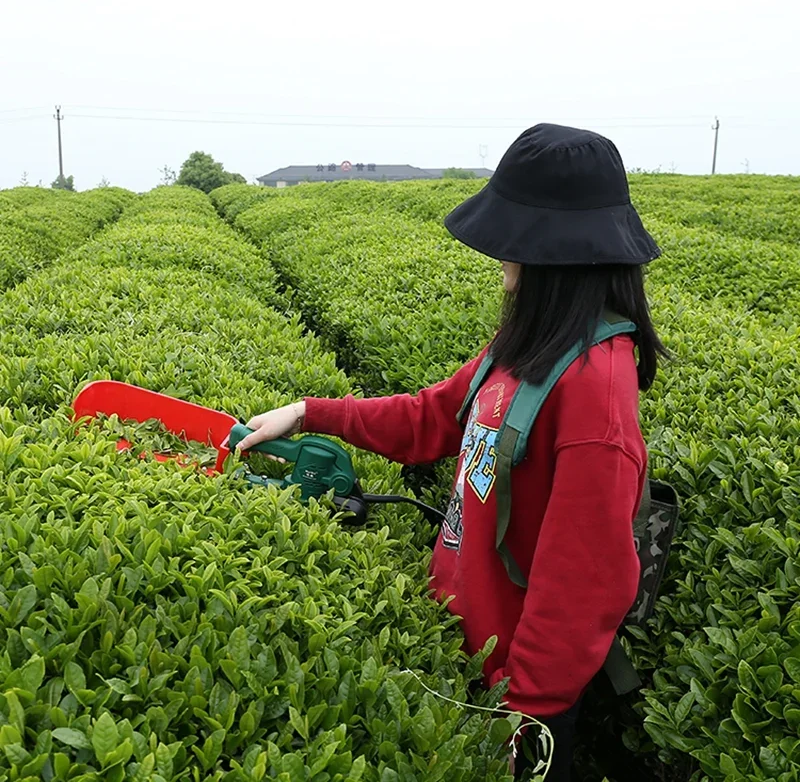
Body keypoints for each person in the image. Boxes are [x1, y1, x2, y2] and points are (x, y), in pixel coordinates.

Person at [238, 123, 666, 780]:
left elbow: (584, 582)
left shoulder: (595, 393)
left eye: (512, 243)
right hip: (463, 659)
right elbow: (431, 417)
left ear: (552, 254)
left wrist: (524, 714)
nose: (502, 260)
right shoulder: (528, 346)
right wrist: (308, 413)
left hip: (516, 704)